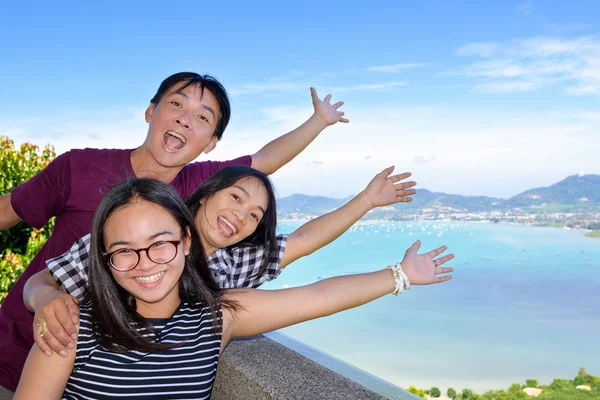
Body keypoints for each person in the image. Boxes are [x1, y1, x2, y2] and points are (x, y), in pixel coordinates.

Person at [0, 71, 348, 393]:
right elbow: (8, 212)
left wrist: (318, 122)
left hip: (97, 377)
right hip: (14, 350)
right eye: (177, 103)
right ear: (151, 111)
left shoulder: (197, 192)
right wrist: (43, 295)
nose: (185, 118)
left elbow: (264, 160)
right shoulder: (79, 166)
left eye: (203, 117)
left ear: (211, 142)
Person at [14, 178, 453, 399]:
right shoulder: (71, 326)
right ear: (105, 258)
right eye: (125, 250)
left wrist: (400, 274)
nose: (145, 262)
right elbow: (40, 284)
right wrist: (45, 297)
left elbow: (316, 295)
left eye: (160, 244)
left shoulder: (215, 314)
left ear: (184, 241)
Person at [25, 165, 417, 356]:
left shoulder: (232, 266)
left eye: (254, 215)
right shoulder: (133, 234)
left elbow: (303, 243)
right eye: (235, 198)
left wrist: (366, 200)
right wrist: (44, 300)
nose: (241, 216)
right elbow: (41, 282)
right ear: (206, 193)